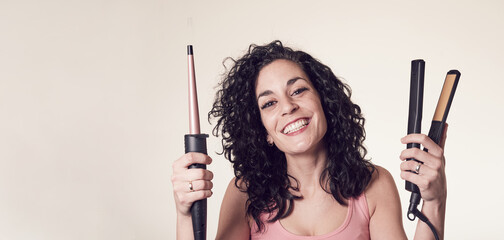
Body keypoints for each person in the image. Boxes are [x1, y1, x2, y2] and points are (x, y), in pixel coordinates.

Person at [171, 40, 447, 240]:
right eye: (269, 103)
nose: (287, 107)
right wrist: (185, 215)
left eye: (298, 90)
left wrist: (434, 202)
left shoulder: (374, 185)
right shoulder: (245, 193)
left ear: (324, 102)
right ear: (263, 130)